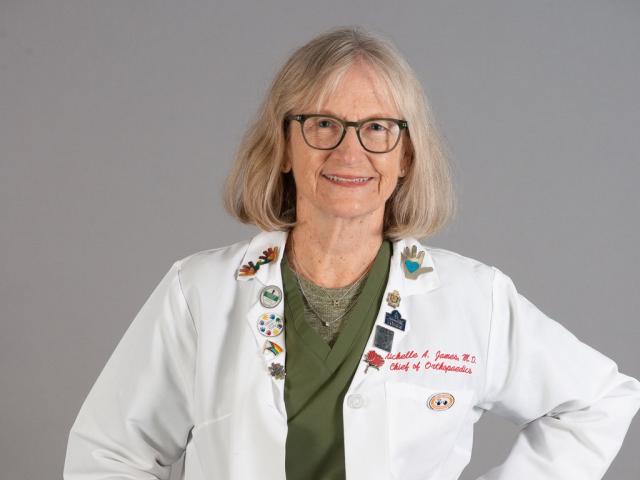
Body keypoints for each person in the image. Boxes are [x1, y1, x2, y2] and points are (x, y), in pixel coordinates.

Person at [63, 26, 640, 480]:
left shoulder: (472, 300)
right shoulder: (201, 293)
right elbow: (109, 455)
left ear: (406, 156)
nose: (350, 150)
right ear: (284, 146)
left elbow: (599, 401)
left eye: (378, 129)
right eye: (323, 124)